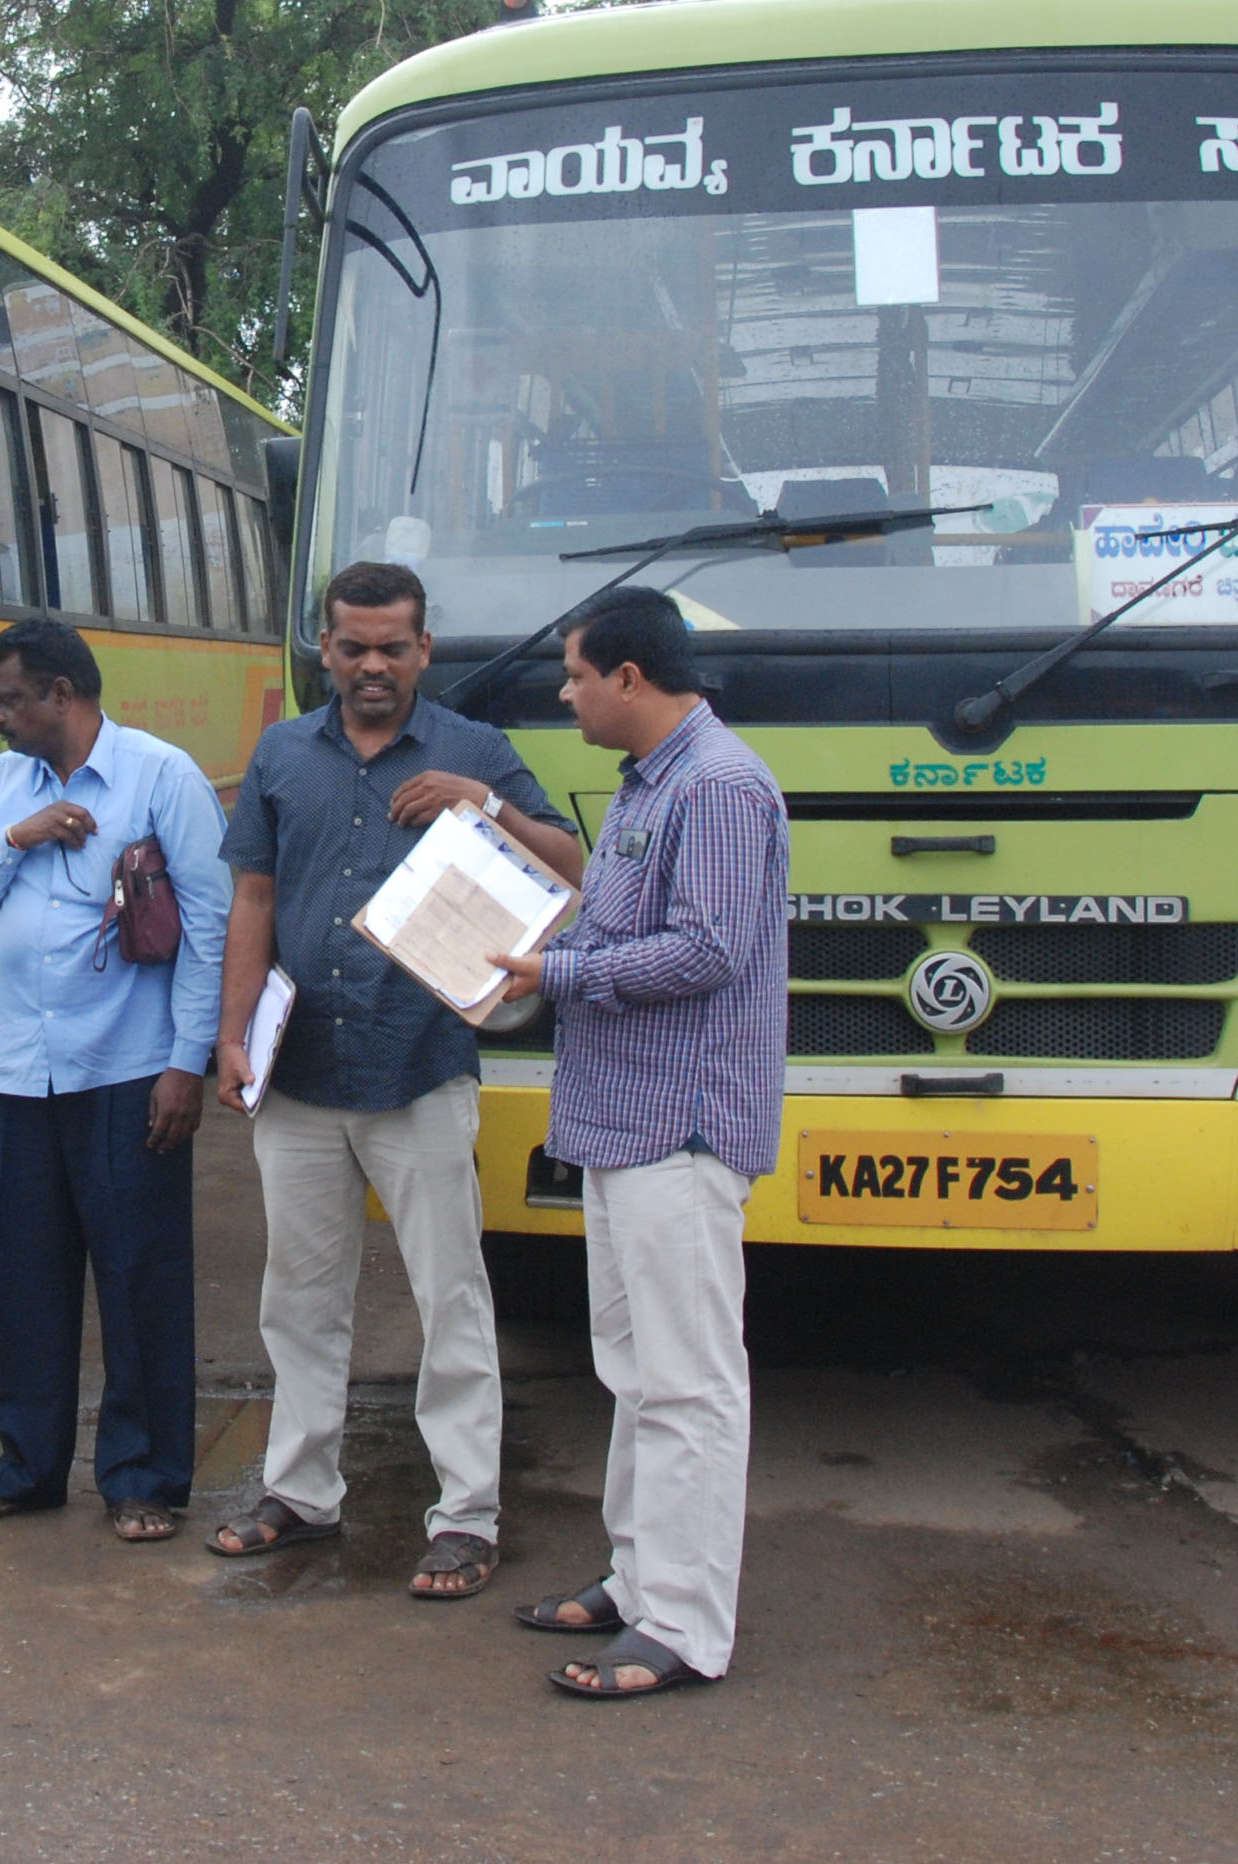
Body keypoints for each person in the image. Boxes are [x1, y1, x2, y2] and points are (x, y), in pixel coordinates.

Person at [208, 560, 581, 1601]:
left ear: (423, 651)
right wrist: (230, 1036)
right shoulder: (283, 754)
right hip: (299, 1072)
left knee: (448, 1296)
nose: (371, 665)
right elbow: (251, 899)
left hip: (418, 1068)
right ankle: (298, 1494)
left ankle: (464, 1515)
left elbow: (573, 870)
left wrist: (483, 808)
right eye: (352, 646)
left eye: (392, 647)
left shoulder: (474, 752)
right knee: (299, 1296)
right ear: (323, 651)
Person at [480, 590, 784, 1699]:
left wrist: (548, 973)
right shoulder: (652, 784)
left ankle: (685, 1626)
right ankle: (637, 1576)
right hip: (618, 1122)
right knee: (633, 1369)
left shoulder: (716, 786)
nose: (563, 695)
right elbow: (628, 932)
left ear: (626, 677)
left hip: (679, 1125)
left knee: (689, 1381)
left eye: (572, 675)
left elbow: (704, 950)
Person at [0, 618, 229, 1543]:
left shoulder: (160, 777)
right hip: (18, 1072)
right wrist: (16, 837)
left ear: (63, 694)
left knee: (139, 1277)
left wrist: (187, 1063)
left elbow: (209, 929)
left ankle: (143, 1479)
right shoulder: (0, 787)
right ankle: (27, 1468)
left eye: (11, 699)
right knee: (19, 1282)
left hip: (127, 1070)